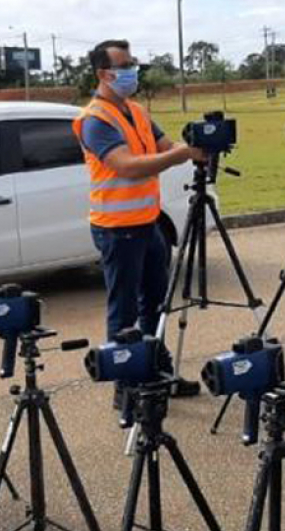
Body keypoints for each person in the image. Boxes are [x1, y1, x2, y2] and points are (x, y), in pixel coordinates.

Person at [72, 39, 205, 405]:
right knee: (124, 312)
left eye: (132, 64)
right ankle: (126, 387)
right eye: (124, 65)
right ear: (103, 74)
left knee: (155, 305)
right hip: (116, 229)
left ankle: (155, 373)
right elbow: (126, 167)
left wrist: (191, 145)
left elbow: (164, 144)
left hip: (148, 224)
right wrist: (181, 156)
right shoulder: (94, 120)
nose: (132, 71)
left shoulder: (136, 110)